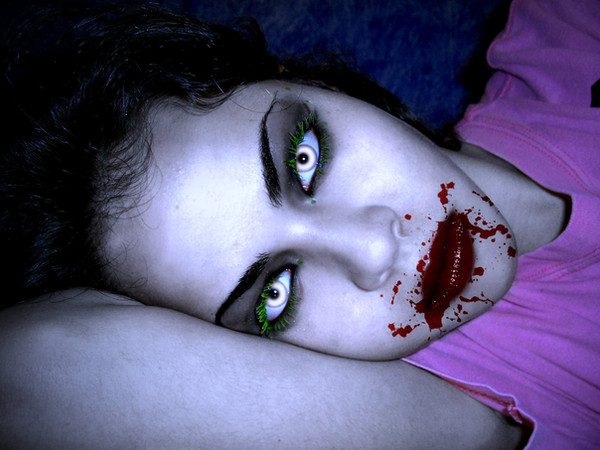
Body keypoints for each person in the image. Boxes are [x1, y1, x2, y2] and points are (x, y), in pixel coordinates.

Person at [0, 0, 597, 448]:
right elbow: (30, 373)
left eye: (304, 159)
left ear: (317, 84)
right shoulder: (495, 413)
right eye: (276, 295)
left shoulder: (567, 31)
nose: (372, 252)